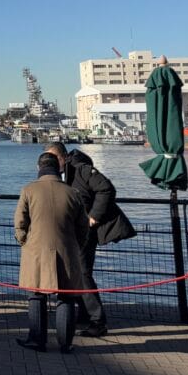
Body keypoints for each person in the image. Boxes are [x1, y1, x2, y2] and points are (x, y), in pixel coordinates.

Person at [45, 142, 134, 338]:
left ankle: (97, 320)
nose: (50, 163)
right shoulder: (60, 175)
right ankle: (85, 313)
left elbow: (106, 189)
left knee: (83, 273)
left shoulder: (82, 169)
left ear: (62, 157)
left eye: (53, 159)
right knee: (78, 273)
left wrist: (94, 216)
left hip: (85, 230)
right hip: (72, 230)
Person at [14, 152, 89, 353]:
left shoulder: (29, 190)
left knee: (36, 295)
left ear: (39, 167)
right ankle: (66, 343)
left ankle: (37, 340)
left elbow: (20, 222)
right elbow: (83, 227)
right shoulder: (73, 192)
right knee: (66, 296)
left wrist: (24, 241)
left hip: (36, 250)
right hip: (67, 249)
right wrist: (76, 245)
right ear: (59, 168)